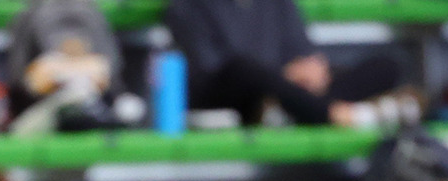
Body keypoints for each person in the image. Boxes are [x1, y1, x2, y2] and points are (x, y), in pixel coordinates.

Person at [164, 0, 407, 127]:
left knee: (387, 65)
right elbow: (213, 67)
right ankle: (330, 114)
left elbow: (301, 50)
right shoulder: (188, 4)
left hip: (288, 92)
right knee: (244, 69)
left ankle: (296, 112)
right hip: (233, 97)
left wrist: (312, 70)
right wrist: (283, 76)